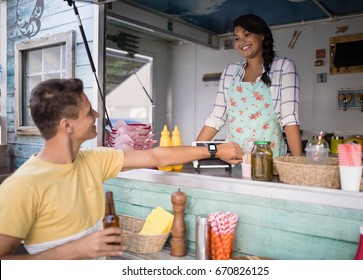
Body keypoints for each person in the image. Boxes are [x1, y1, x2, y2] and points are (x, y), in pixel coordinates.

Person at [0, 78, 243, 260]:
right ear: (67, 126)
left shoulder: (93, 160)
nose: (97, 114)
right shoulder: (21, 186)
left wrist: (214, 151)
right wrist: (75, 249)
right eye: (88, 112)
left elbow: (155, 155)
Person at [196, 14, 302, 157]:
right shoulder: (231, 71)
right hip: (233, 158)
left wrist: (298, 163)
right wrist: (193, 153)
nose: (241, 42)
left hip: (269, 159)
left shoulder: (283, 67)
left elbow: (289, 118)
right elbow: (216, 117)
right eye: (237, 38)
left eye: (247, 34)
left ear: (262, 35)